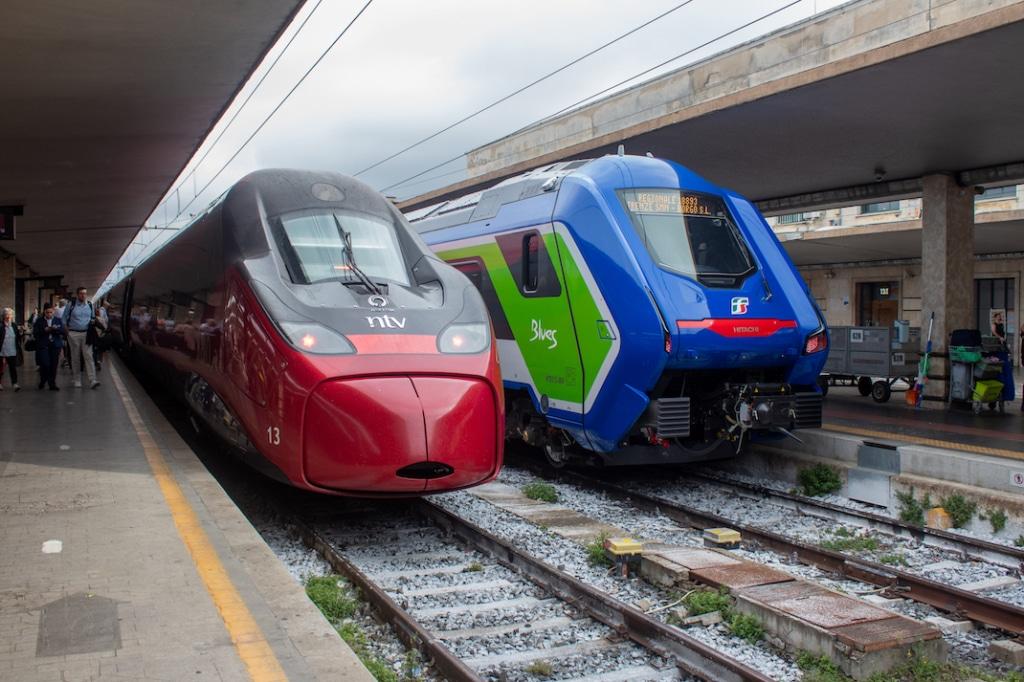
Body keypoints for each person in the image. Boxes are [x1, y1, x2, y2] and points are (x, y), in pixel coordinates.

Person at [63, 287, 100, 389]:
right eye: (81, 293)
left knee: (88, 356)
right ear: (77, 294)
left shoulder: (89, 305)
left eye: (85, 293)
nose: (83, 295)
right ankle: (77, 380)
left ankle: (93, 380)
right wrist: (67, 332)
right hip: (73, 334)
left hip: (86, 334)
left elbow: (92, 318)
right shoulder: (71, 305)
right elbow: (63, 319)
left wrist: (93, 322)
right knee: (75, 357)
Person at [33, 303, 64, 390]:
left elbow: (62, 331)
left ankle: (52, 383)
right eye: (47, 312)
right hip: (43, 345)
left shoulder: (57, 320)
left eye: (51, 312)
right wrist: (45, 330)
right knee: (45, 364)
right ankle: (43, 379)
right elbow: (35, 333)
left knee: (54, 365)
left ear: (53, 312)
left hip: (55, 345)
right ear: (44, 312)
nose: (49, 314)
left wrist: (55, 329)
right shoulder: (39, 321)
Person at [0, 307, 22, 391]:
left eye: (10, 315)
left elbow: (17, 338)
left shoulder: (14, 325)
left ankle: (15, 383)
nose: (9, 316)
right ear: (3, 316)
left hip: (12, 349)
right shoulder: (1, 325)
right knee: (0, 368)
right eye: (7, 314)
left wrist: (21, 332)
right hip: (2, 349)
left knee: (13, 368)